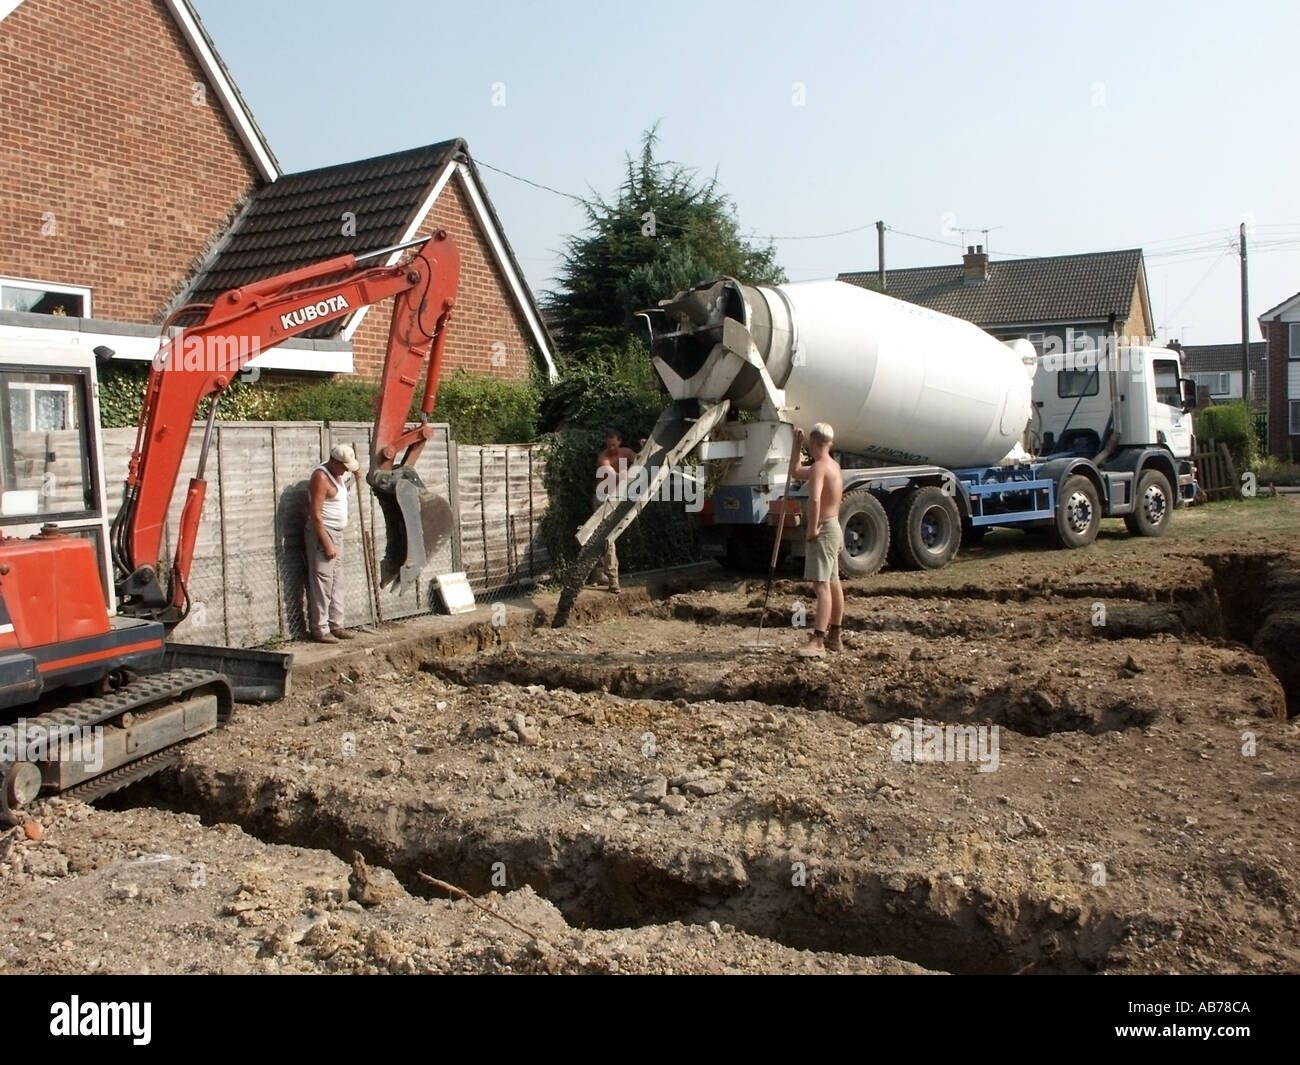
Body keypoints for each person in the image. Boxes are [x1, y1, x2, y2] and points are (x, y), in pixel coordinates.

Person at [791, 423, 845, 657]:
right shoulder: (833, 466)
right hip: (834, 526)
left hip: (823, 530)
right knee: (833, 583)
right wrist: (796, 445)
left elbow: (813, 501)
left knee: (821, 587)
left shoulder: (819, 468)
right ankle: (835, 635)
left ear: (813, 442)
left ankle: (818, 640)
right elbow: (795, 471)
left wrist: (812, 529)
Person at [305, 444, 360, 643]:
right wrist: (327, 543)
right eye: (344, 467)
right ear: (334, 462)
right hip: (323, 533)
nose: (346, 470)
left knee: (337, 581)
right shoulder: (321, 477)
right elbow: (316, 515)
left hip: (338, 533)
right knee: (323, 582)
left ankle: (337, 624)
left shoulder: (339, 475)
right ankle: (320, 629)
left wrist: (354, 474)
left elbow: (342, 491)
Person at [588, 428, 639, 593]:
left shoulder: (626, 452)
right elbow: (614, 477)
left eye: (614, 444)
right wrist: (627, 473)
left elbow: (640, 460)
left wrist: (644, 448)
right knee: (607, 538)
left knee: (602, 537)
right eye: (608, 445)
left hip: (616, 499)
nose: (611, 448)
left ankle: (597, 575)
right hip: (602, 500)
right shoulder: (603, 458)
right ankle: (613, 581)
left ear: (619, 441)